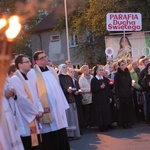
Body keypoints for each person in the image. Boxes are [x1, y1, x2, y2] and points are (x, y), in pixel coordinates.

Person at [27, 50, 70, 150]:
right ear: (36, 61)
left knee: (61, 130)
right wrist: (38, 108)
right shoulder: (32, 74)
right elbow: (33, 92)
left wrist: (62, 104)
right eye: (42, 58)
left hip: (57, 107)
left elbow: (58, 88)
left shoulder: (52, 70)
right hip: (46, 108)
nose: (45, 59)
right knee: (50, 133)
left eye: (45, 57)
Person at [10, 54, 44, 150]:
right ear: (20, 65)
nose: (30, 64)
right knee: (30, 144)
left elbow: (36, 96)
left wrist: (40, 110)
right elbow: (23, 100)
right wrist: (35, 113)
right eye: (27, 62)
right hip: (26, 118)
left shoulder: (28, 78)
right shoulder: (15, 79)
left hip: (34, 116)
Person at [58, 64, 80, 139]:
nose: (65, 69)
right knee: (67, 118)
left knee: (74, 118)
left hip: (72, 99)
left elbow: (73, 87)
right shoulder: (58, 78)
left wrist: (74, 91)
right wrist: (66, 91)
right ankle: (68, 135)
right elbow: (58, 89)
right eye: (63, 67)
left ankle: (75, 134)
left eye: (65, 67)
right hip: (65, 100)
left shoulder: (69, 77)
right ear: (60, 69)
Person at [91, 65, 112, 132]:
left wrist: (110, 97)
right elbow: (93, 89)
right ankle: (101, 126)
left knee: (106, 112)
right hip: (98, 99)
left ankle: (106, 124)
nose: (101, 71)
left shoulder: (105, 79)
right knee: (99, 113)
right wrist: (100, 87)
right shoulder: (94, 80)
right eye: (100, 70)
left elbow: (108, 89)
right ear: (96, 71)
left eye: (102, 70)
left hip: (105, 98)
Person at [114, 59, 134, 129]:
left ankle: (129, 121)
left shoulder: (127, 72)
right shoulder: (117, 74)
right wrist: (117, 95)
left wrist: (131, 86)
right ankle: (124, 123)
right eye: (122, 65)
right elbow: (116, 85)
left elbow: (129, 81)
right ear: (119, 66)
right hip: (121, 94)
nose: (123, 66)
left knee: (129, 108)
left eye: (124, 64)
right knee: (123, 109)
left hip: (128, 92)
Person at [67, 67, 84, 134]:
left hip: (77, 98)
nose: (72, 73)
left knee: (79, 114)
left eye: (73, 72)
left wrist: (79, 91)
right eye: (71, 72)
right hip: (72, 98)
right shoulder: (68, 80)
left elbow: (78, 88)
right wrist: (74, 92)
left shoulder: (75, 80)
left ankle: (80, 127)